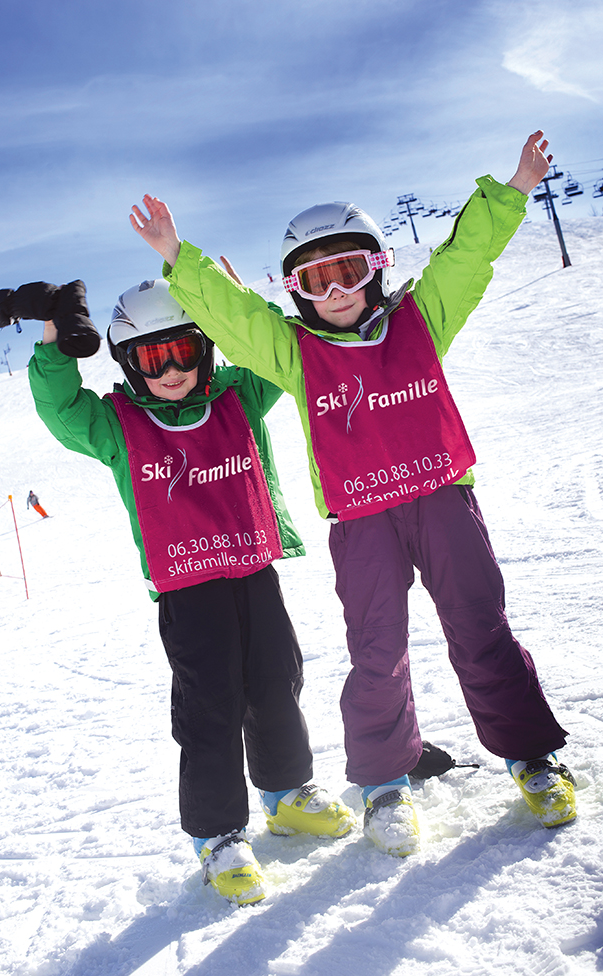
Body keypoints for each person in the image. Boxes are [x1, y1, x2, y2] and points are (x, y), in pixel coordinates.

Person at [129, 131, 577, 857]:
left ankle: (529, 754)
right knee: (378, 650)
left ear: (377, 270)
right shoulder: (295, 354)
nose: (334, 293)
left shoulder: (419, 322)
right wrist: (182, 260)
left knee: (480, 628)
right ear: (296, 293)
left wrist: (516, 188)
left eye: (346, 272)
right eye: (314, 280)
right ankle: (383, 783)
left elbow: (465, 261)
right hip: (362, 519)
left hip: (442, 501)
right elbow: (239, 321)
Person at [27, 277, 354, 905]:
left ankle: (286, 795)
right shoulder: (117, 425)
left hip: (254, 570)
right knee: (211, 707)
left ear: (205, 347)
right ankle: (219, 835)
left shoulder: (239, 396)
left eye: (183, 349)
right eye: (153, 358)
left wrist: (229, 301)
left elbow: (279, 352)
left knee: (276, 682)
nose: (172, 369)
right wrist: (54, 340)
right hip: (188, 589)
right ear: (128, 362)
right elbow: (61, 408)